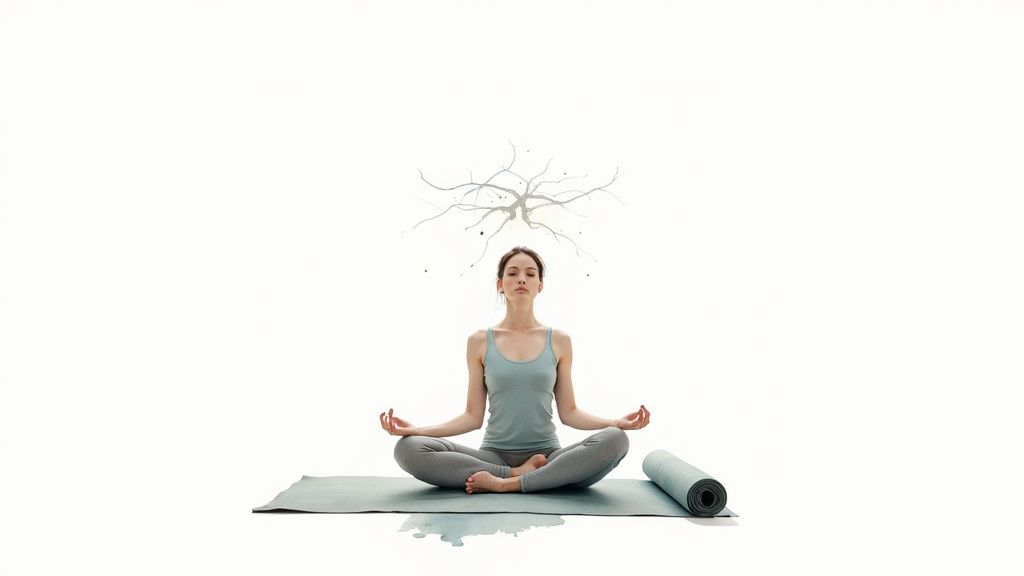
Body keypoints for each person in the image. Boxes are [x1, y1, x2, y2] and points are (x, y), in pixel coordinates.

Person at [380, 245, 651, 494]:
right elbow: (472, 417)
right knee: (408, 448)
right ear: (500, 284)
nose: (521, 279)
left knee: (616, 440)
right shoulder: (479, 342)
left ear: (540, 285)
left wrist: (616, 423)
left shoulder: (559, 341)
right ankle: (514, 475)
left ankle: (505, 484)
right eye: (512, 273)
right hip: (493, 457)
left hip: (548, 458)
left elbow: (569, 413)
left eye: (530, 274)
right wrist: (417, 430)